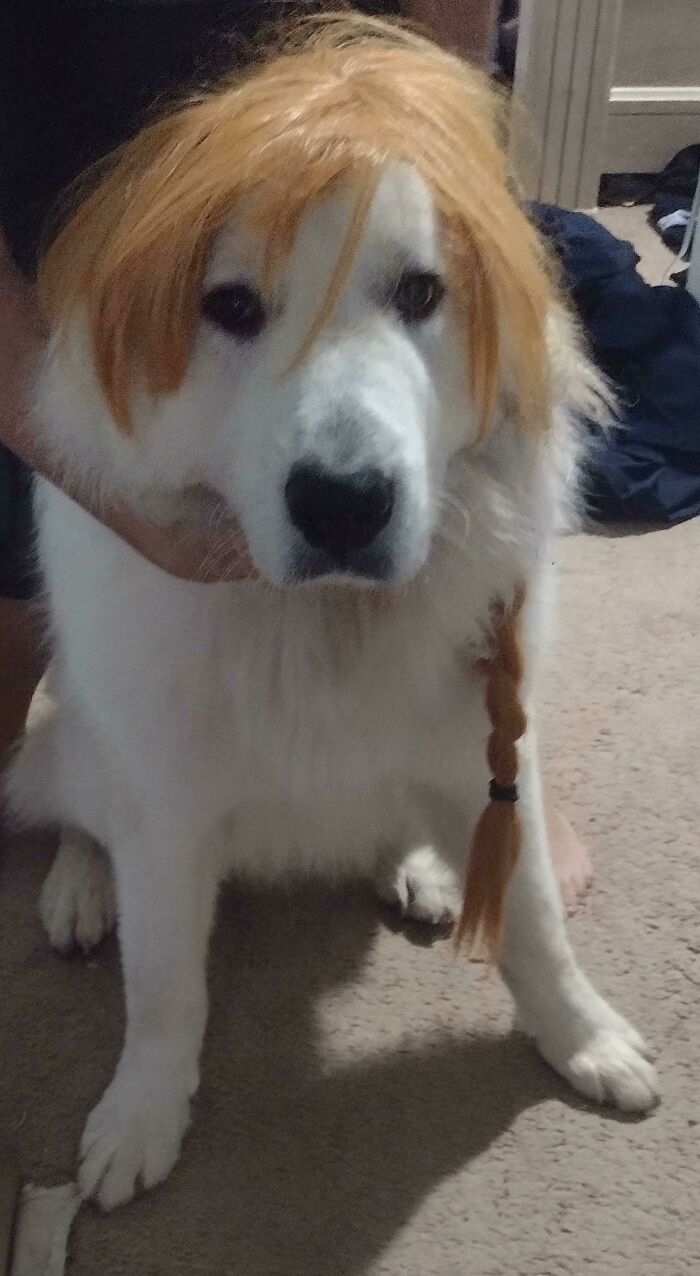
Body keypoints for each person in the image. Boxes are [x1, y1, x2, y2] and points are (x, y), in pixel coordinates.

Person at [0, 0, 590, 910]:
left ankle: (473, 773)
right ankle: (99, 815)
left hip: (354, 99)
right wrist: (93, 481)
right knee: (73, 660)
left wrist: (440, 143)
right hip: (68, 218)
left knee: (455, 633)